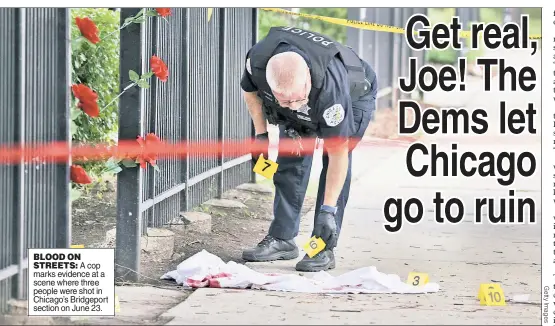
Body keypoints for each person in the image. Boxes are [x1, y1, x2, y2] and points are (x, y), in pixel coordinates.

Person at [240, 26, 377, 272]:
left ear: (308, 79)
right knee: (289, 160)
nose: (293, 106)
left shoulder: (329, 89)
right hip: (302, 91)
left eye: (297, 99)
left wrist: (327, 210)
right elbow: (250, 94)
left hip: (354, 95)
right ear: (270, 86)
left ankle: (322, 246)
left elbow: (338, 155)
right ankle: (282, 239)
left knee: (333, 162)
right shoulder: (257, 62)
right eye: (284, 100)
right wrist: (261, 136)